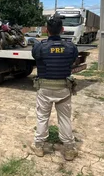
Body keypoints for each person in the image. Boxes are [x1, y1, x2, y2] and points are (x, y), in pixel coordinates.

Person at [31, 17, 79, 161]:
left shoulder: (39, 47)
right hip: (63, 88)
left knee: (42, 117)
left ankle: (39, 146)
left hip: (44, 89)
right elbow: (73, 61)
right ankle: (69, 149)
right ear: (62, 30)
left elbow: (36, 58)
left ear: (46, 30)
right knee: (65, 118)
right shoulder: (71, 47)